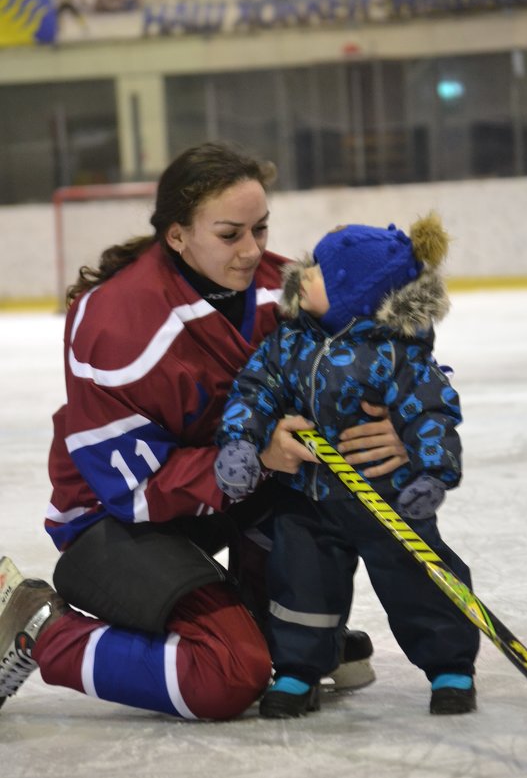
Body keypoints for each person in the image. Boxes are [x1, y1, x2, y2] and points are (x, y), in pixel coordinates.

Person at [0, 141, 406, 720]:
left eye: (259, 229)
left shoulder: (278, 287)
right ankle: (42, 629)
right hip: (115, 519)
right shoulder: (119, 327)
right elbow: (133, 491)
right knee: (229, 674)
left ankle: (282, 632)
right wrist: (259, 460)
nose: (252, 251)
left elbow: (367, 364)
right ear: (177, 235)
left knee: (317, 497)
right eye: (229, 234)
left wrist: (392, 419)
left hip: (216, 497)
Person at [215, 213, 481, 719]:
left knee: (418, 582)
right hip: (309, 499)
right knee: (300, 583)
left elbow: (431, 412)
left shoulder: (398, 356)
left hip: (389, 499)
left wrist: (432, 472)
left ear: (355, 291)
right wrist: (240, 444)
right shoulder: (290, 342)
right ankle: (297, 670)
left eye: (319, 271)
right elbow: (253, 392)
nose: (302, 274)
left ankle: (451, 665)